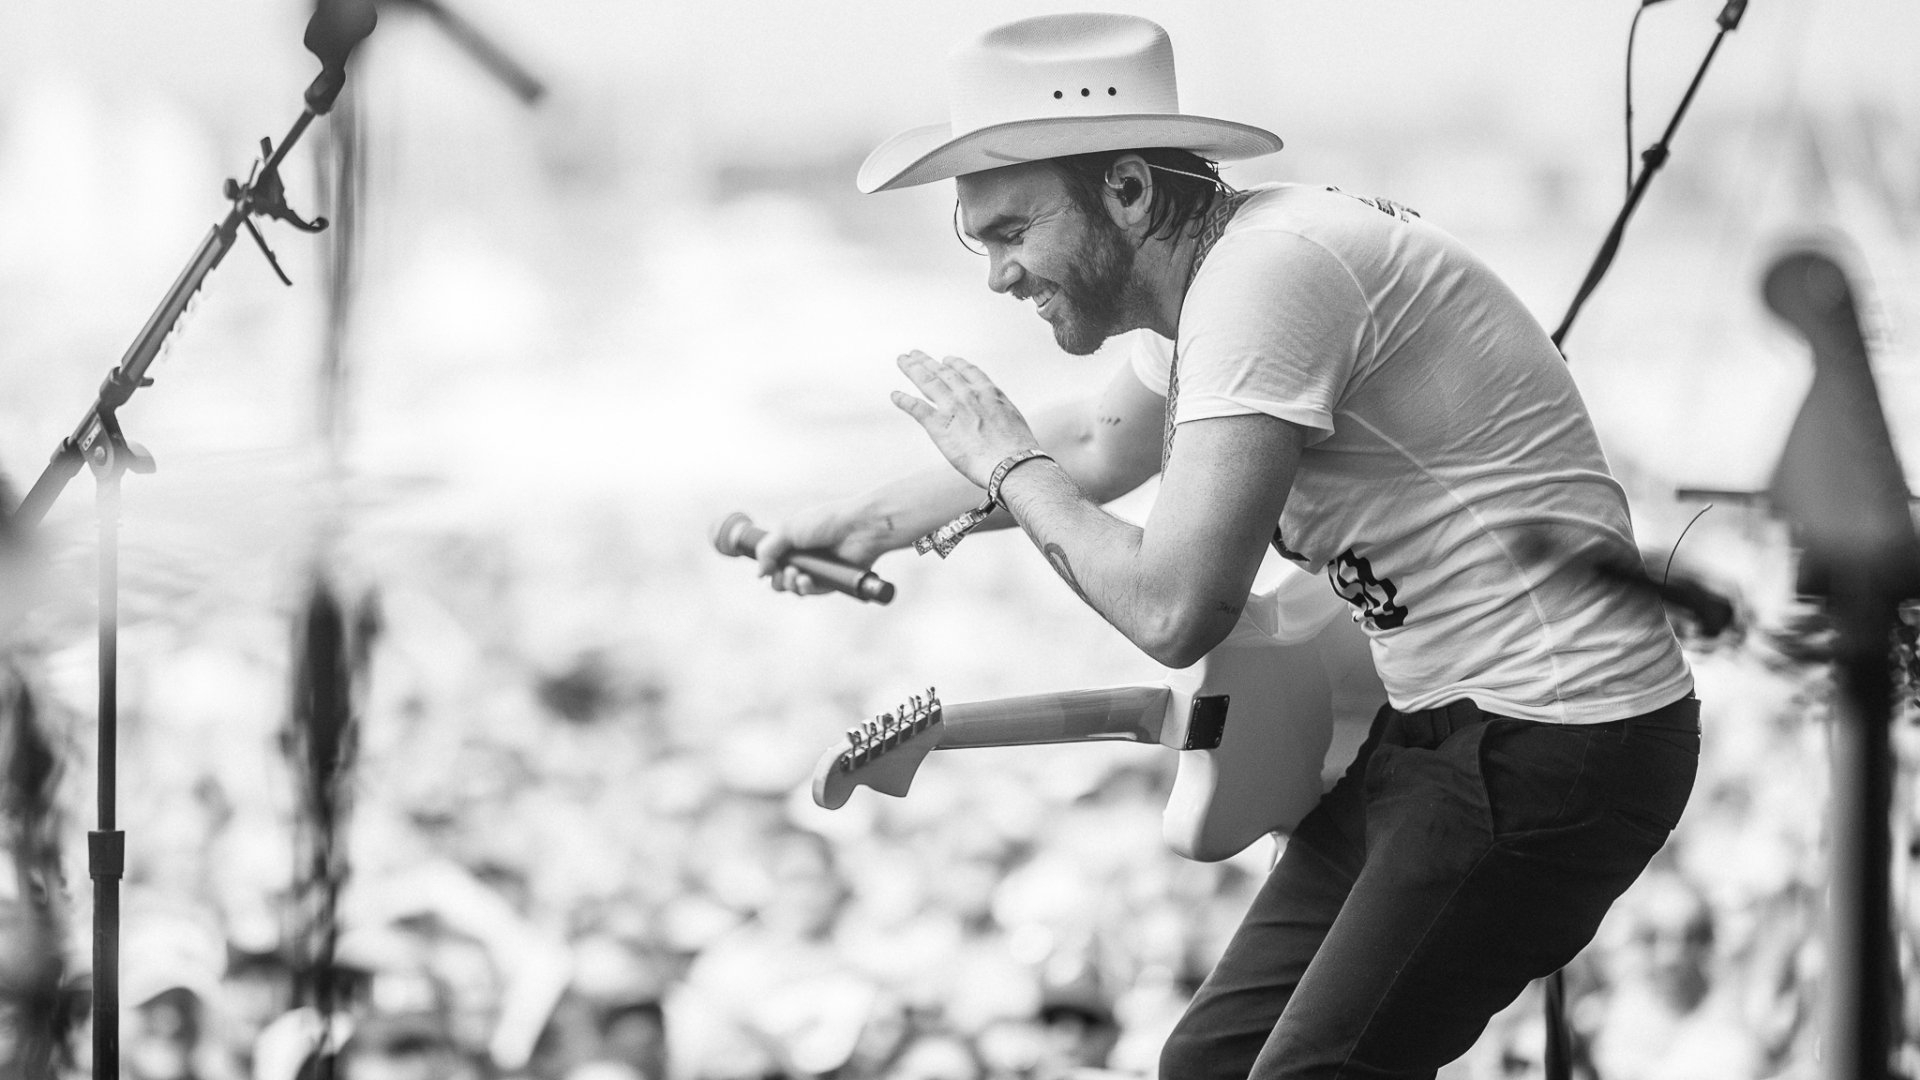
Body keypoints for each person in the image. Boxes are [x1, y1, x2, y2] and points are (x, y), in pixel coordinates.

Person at [752, 13, 1700, 1078]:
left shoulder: (1267, 282)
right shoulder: (1216, 277)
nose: (998, 278)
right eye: (979, 243)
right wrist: (867, 520)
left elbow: (1173, 607)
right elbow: (1096, 445)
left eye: (1013, 232)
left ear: (1127, 190)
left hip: (1555, 738)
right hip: (1439, 729)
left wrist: (1009, 466)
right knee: (1203, 1065)